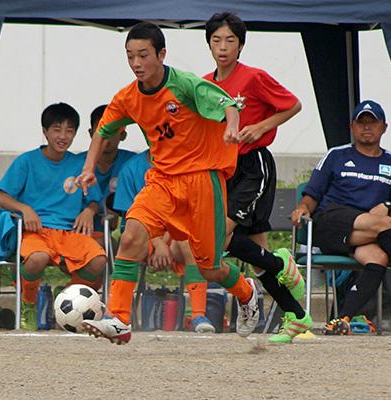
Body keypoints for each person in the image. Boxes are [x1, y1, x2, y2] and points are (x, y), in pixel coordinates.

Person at [75, 22, 259, 344]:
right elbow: (104, 131)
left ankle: (245, 292)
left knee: (210, 268)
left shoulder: (186, 85)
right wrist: (89, 169)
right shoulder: (128, 98)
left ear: (161, 54)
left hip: (203, 181)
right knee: (131, 234)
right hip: (161, 179)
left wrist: (231, 126)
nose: (136, 64)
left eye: (143, 55)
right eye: (130, 56)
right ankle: (119, 319)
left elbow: (228, 104)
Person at [204, 12, 310, 344]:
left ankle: (280, 263)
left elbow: (293, 105)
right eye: (216, 40)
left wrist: (261, 127)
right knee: (256, 255)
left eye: (230, 41)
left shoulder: (253, 78)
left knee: (218, 239)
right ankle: (296, 315)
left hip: (253, 167)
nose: (223, 48)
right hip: (223, 171)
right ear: (208, 44)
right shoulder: (205, 83)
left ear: (241, 45)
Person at [290, 99, 391, 335]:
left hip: (364, 234)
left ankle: (342, 318)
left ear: (384, 127)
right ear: (352, 127)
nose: (367, 127)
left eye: (372, 122)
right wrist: (303, 208)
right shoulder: (336, 155)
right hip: (331, 221)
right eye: (361, 122)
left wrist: (387, 206)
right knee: (384, 224)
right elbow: (312, 194)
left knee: (378, 257)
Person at [0, 103, 107, 330]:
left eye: (69, 131)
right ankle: (28, 303)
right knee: (37, 258)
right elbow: (1, 198)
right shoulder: (27, 161)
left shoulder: (80, 165)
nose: (63, 136)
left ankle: (66, 296)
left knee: (99, 261)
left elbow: (95, 200)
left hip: (69, 232)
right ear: (45, 131)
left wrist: (89, 210)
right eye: (57, 129)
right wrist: (25, 209)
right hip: (37, 231)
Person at [114, 150, 216, 333]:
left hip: (173, 235)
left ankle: (197, 315)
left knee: (189, 243)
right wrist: (157, 242)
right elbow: (133, 220)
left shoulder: (184, 165)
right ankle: (117, 315)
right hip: (143, 235)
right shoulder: (131, 169)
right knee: (129, 241)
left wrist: (164, 242)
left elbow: (184, 217)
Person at [83, 104, 136, 249]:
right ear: (90, 133)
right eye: (101, 130)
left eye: (113, 130)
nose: (107, 136)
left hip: (117, 232)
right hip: (78, 231)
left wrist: (117, 210)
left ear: (123, 135)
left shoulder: (133, 164)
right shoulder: (78, 164)